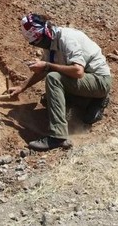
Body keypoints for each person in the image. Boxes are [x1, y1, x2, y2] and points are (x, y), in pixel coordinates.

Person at [7, 13, 112, 151]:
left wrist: (47, 66)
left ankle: (57, 136)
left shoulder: (67, 39)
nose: (37, 45)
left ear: (46, 31)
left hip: (99, 81)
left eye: (38, 40)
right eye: (33, 43)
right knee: (48, 99)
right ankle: (91, 103)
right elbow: (44, 69)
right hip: (84, 82)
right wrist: (22, 87)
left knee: (53, 78)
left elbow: (78, 71)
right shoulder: (49, 43)